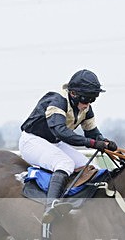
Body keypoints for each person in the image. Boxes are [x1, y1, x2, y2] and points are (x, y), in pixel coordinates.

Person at [19, 69, 117, 223]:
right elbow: (61, 132)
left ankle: (82, 205)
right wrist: (92, 143)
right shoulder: (57, 101)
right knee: (65, 163)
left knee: (90, 167)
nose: (88, 104)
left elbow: (92, 133)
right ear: (73, 94)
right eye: (86, 99)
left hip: (54, 143)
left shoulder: (85, 108)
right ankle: (51, 206)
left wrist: (104, 142)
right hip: (32, 141)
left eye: (92, 99)